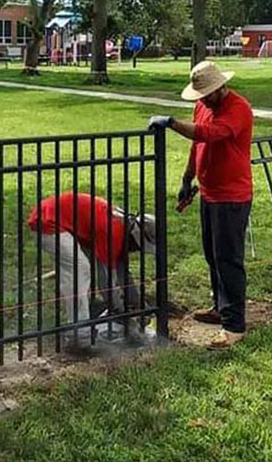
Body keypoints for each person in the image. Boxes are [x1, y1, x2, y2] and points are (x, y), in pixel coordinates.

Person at [148, 61, 254, 349]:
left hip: (232, 197)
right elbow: (198, 146)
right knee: (213, 256)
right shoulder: (203, 106)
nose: (204, 99)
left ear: (220, 87)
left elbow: (209, 134)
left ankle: (234, 327)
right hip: (209, 193)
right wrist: (186, 179)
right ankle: (220, 307)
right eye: (200, 95)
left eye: (207, 93)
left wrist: (171, 123)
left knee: (229, 260)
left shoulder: (238, 108)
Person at [27, 191, 155, 339]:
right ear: (135, 238)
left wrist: (138, 303)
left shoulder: (123, 226)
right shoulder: (112, 233)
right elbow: (105, 280)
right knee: (80, 269)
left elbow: (122, 272)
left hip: (61, 219)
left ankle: (87, 318)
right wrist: (120, 310)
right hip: (48, 222)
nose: (136, 251)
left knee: (83, 268)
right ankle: (79, 329)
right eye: (138, 247)